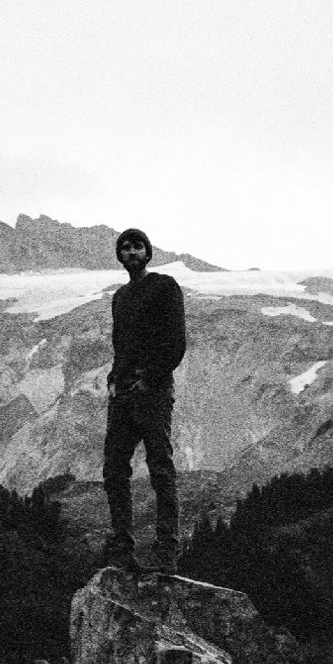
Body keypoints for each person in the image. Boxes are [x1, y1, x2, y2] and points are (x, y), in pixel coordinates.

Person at [102, 227, 186, 572]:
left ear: (147, 252)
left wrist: (150, 378)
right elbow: (121, 344)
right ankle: (124, 550)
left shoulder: (165, 286)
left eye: (137, 246)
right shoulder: (120, 297)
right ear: (120, 255)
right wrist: (114, 377)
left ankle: (167, 551)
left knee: (160, 467)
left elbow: (176, 341)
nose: (131, 252)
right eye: (125, 248)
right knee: (114, 470)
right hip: (122, 391)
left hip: (152, 391)